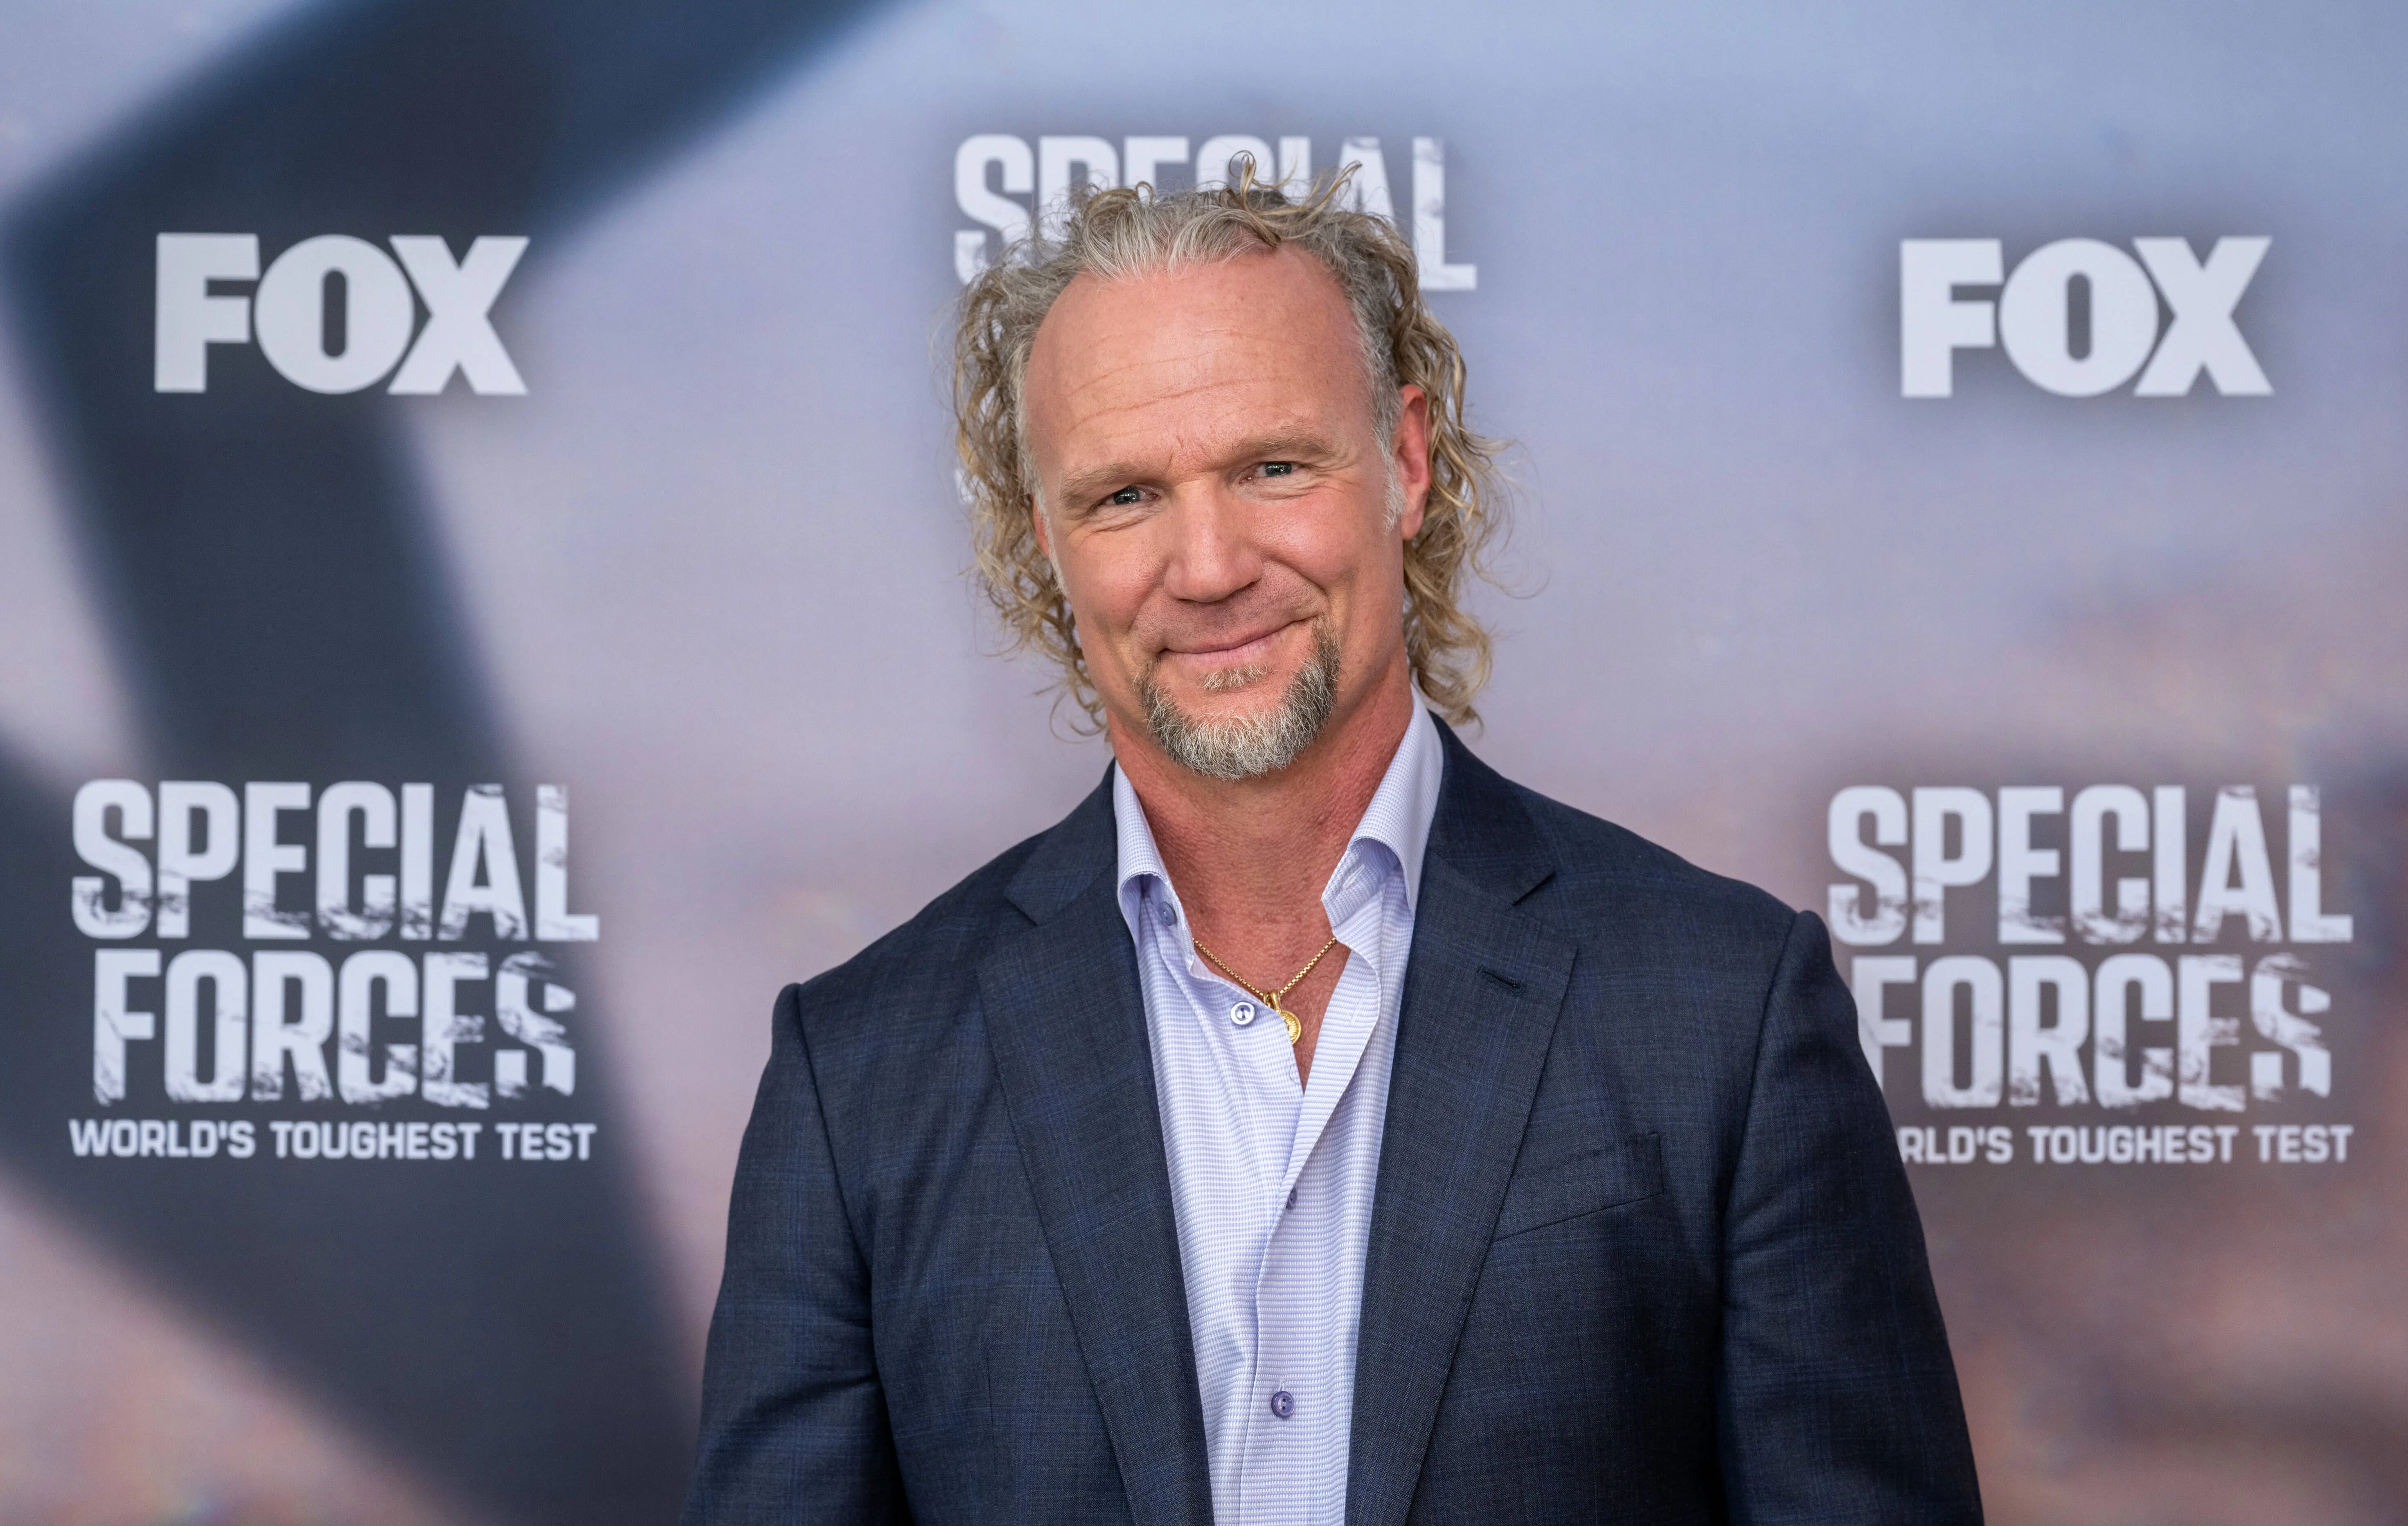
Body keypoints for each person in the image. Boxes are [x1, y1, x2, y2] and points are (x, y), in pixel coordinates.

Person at [683, 171, 1982, 1524]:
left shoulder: (1723, 1013)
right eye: (1125, 496)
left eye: (1272, 467)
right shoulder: (864, 1076)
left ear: (1406, 462)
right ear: (1040, 541)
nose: (1207, 565)